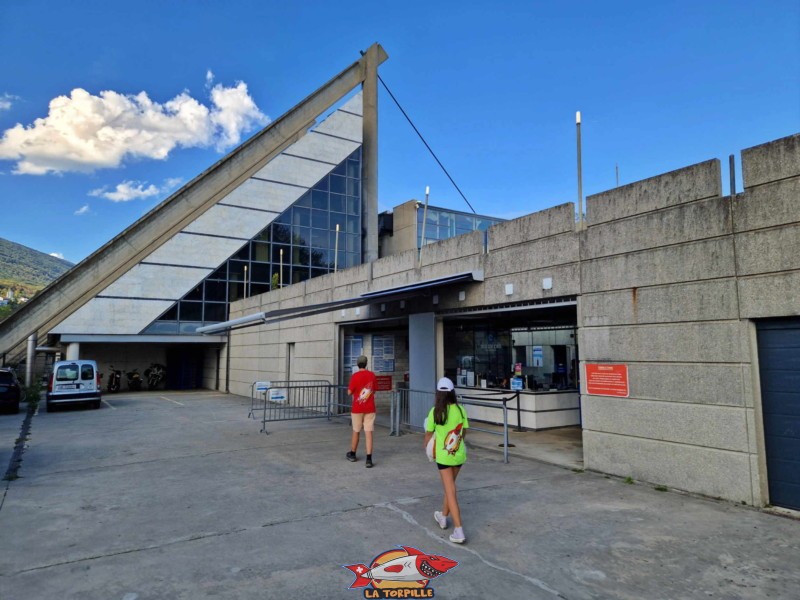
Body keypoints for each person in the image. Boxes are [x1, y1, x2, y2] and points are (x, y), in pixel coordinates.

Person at [424, 377, 469, 544]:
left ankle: (459, 530)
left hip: (443, 457)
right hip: (459, 455)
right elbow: (463, 432)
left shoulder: (435, 411)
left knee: (450, 490)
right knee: (449, 487)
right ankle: (443, 517)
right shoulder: (460, 409)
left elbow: (428, 434)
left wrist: (427, 448)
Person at [347, 355, 378, 468]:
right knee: (368, 432)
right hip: (370, 408)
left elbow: (349, 392)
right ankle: (369, 459)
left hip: (357, 409)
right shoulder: (372, 375)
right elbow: (374, 391)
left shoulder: (355, 376)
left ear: (357, 364)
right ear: (366, 363)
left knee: (356, 431)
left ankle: (353, 453)